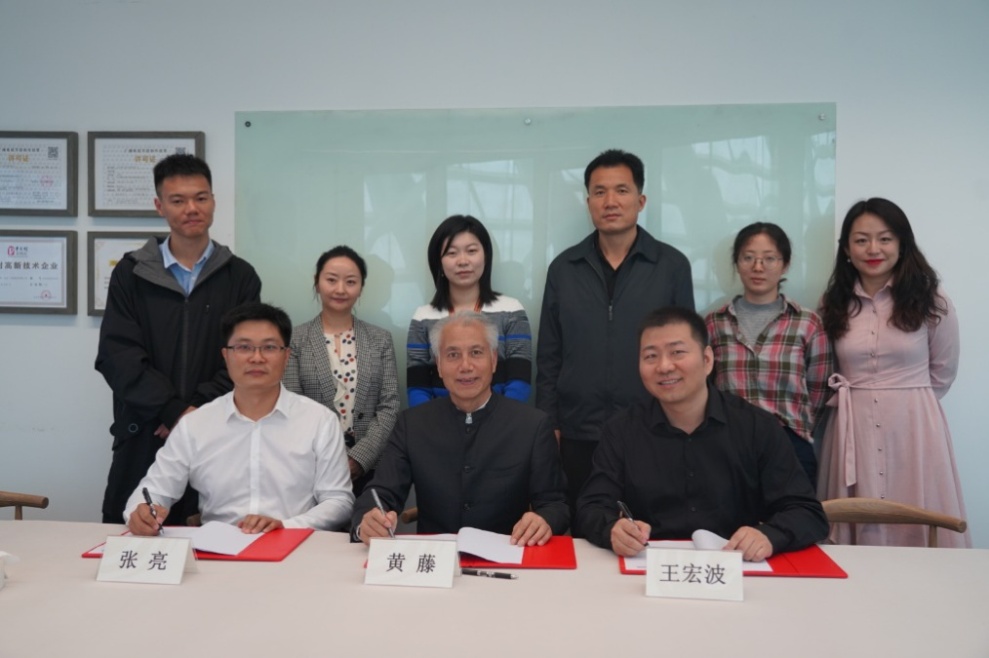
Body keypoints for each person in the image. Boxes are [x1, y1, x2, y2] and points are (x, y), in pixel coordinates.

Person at [576, 307, 828, 561]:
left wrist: (769, 536)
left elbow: (806, 512)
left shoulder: (756, 427)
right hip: (649, 567)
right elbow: (591, 507)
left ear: (707, 360)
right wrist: (613, 529)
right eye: (651, 356)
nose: (664, 366)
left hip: (735, 567)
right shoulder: (622, 430)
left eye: (677, 352)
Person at [96, 153, 262, 524]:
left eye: (201, 198)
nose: (191, 208)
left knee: (217, 540)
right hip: (144, 431)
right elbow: (117, 355)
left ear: (213, 201)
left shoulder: (240, 277)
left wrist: (194, 413)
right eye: (178, 200)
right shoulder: (132, 274)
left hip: (216, 432)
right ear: (160, 206)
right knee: (137, 533)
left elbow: (246, 354)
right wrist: (171, 410)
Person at [536, 149, 694, 523]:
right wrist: (548, 424)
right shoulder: (564, 268)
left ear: (641, 200)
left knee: (651, 531)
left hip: (653, 426)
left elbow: (685, 352)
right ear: (588, 201)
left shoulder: (671, 266)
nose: (610, 201)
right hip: (578, 431)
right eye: (599, 191)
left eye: (621, 190)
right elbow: (549, 355)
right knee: (583, 530)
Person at [125, 302, 354, 535]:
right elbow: (153, 490)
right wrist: (141, 513)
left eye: (269, 347)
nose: (256, 358)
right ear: (226, 356)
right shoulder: (195, 424)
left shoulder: (319, 421)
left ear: (286, 356)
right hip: (217, 548)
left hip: (295, 546)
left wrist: (286, 526)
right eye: (244, 347)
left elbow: (338, 501)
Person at [818, 198, 969, 547]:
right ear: (846, 249)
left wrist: (904, 401)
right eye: (861, 240)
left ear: (902, 244)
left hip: (913, 428)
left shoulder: (932, 300)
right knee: (852, 514)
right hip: (851, 425)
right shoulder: (832, 303)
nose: (873, 249)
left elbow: (943, 372)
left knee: (918, 508)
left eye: (885, 239)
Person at [355, 311, 568, 545]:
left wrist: (544, 520)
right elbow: (380, 494)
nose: (465, 366)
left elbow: (555, 505)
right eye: (453, 355)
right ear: (439, 365)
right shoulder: (411, 424)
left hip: (508, 554)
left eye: (476, 353)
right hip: (435, 558)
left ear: (494, 360)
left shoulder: (533, 425)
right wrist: (368, 521)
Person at [705, 222, 832, 488]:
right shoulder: (714, 323)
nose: (758, 267)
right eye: (748, 257)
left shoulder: (807, 323)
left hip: (790, 445)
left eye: (769, 258)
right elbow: (704, 387)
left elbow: (819, 391)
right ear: (737, 263)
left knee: (793, 514)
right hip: (727, 445)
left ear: (785, 265)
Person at [283, 246, 399, 495]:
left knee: (368, 520)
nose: (340, 289)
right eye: (332, 280)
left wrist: (358, 459)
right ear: (317, 282)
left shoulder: (380, 339)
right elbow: (292, 404)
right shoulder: (295, 339)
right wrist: (330, 460)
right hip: (312, 466)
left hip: (371, 469)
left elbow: (389, 405)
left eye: (350, 282)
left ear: (361, 287)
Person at [406, 214, 532, 406]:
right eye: (452, 253)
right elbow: (417, 388)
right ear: (439, 262)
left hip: (501, 420)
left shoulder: (511, 310)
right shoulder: (423, 317)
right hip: (438, 421)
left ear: (485, 256)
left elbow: (520, 383)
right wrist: (436, 421)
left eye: (471, 251)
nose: (463, 261)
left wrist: (498, 420)